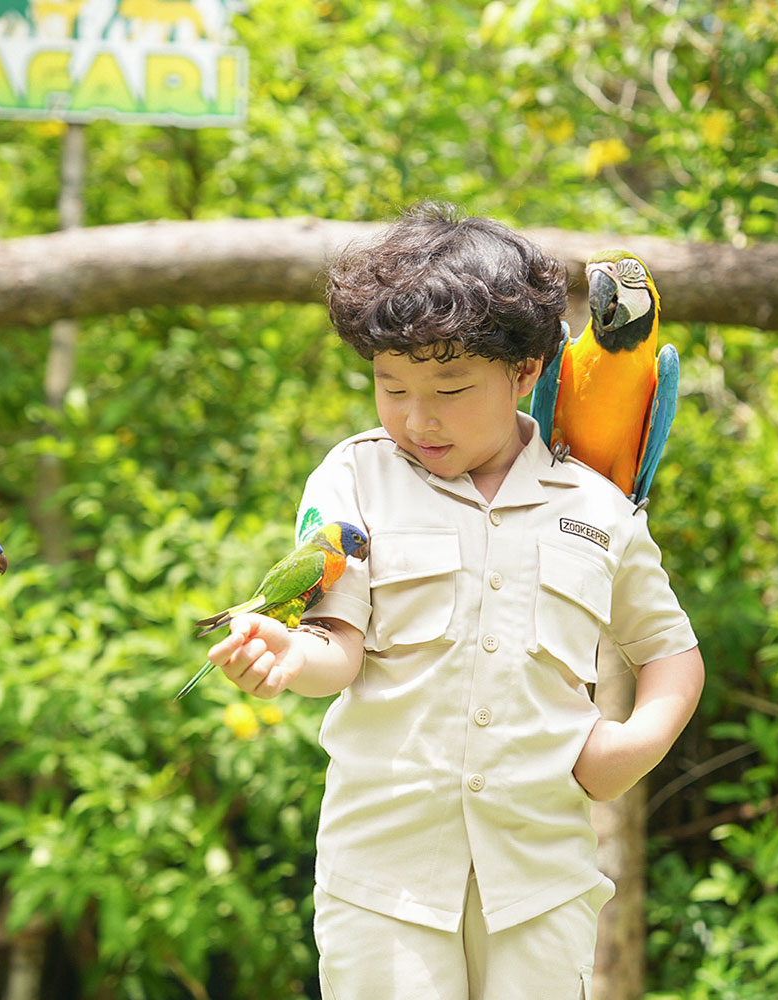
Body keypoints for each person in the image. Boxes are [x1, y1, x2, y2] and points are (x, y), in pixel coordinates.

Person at [204, 201, 705, 999]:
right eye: (390, 385)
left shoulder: (599, 505)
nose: (416, 416)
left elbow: (670, 648)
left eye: (449, 386)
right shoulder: (353, 478)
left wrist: (630, 747)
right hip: (384, 885)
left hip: (542, 886)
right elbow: (336, 646)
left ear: (529, 372)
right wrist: (285, 653)